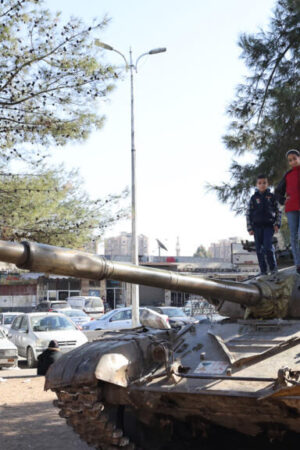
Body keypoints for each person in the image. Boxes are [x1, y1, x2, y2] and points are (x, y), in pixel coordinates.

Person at [246, 174, 281, 275]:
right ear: (257, 185)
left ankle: (273, 268)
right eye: (260, 183)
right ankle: (263, 270)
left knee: (267, 246)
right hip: (256, 227)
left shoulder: (272, 197)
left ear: (267, 184)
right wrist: (249, 228)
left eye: (264, 183)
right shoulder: (253, 198)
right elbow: (248, 213)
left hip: (268, 226)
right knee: (259, 249)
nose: (262, 185)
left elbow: (278, 211)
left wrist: (277, 224)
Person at [275, 149, 300, 274]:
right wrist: (283, 200)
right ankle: (298, 264)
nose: (293, 161)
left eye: (294, 158)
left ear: (299, 158)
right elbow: (278, 191)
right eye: (290, 160)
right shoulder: (288, 175)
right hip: (291, 209)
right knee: (294, 237)